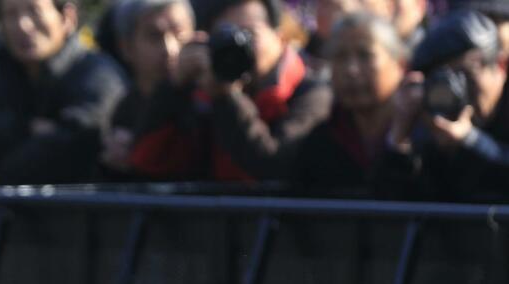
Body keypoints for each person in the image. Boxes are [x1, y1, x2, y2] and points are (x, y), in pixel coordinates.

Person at [128, 0, 331, 182]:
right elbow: (147, 162)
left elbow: (274, 169)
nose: (239, 46)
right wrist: (173, 88)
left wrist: (227, 97)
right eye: (226, 37)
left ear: (280, 37)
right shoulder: (202, 91)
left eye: (249, 34)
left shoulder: (313, 93)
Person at [0, 0, 127, 185]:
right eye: (11, 14)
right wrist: (21, 128)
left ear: (67, 17)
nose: (23, 25)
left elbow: (77, 144)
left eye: (34, 11)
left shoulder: (98, 76)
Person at [378, 9, 509, 200]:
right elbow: (389, 205)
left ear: (500, 66)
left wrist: (471, 140)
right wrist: (398, 138)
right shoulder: (430, 118)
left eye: (465, 74)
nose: (456, 89)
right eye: (443, 78)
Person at [293, 12, 406, 194]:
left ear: (399, 64)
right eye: (340, 57)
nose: (351, 70)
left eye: (365, 56)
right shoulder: (319, 144)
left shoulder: (425, 136)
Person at [100, 0, 196, 177]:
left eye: (180, 34)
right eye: (154, 36)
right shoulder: (123, 109)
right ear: (127, 48)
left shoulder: (209, 99)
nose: (170, 49)